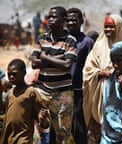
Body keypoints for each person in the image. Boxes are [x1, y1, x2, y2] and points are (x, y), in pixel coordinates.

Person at [82, 14, 122, 143]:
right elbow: (88, 70)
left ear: (119, 27)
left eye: (111, 27)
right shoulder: (99, 46)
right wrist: (102, 73)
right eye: (106, 27)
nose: (108, 30)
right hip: (102, 96)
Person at [31, 6, 77, 143]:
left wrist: (45, 58)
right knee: (37, 128)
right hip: (42, 91)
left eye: (54, 17)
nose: (50, 20)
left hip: (63, 94)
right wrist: (58, 60)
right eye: (49, 17)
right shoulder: (41, 38)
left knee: (63, 133)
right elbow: (34, 63)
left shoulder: (70, 40)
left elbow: (67, 65)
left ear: (63, 20)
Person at [0, 58, 50, 143]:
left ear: (24, 73)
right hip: (10, 138)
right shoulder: (11, 93)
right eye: (9, 74)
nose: (11, 77)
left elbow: (42, 117)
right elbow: (9, 117)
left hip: (23, 138)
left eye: (15, 74)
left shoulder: (31, 92)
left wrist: (43, 118)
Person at [66, 7, 95, 144]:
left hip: (78, 91)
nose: (71, 23)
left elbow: (91, 67)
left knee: (79, 127)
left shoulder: (87, 42)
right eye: (68, 20)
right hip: (61, 90)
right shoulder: (62, 40)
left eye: (74, 20)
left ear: (81, 21)